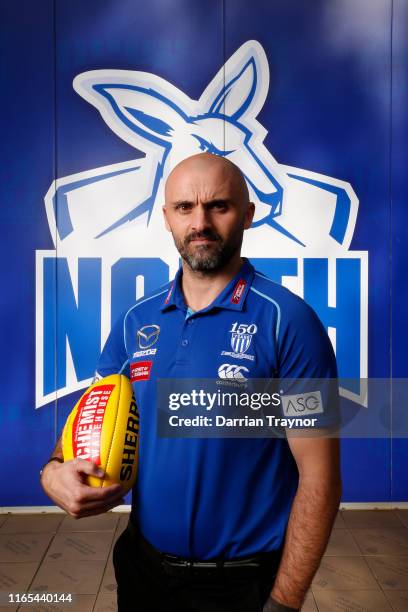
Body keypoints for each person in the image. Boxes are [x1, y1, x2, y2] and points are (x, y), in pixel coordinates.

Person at [40, 153, 342, 612]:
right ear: (166, 218)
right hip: (143, 570)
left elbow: (320, 479)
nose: (199, 222)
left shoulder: (289, 322)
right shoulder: (135, 321)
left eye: (218, 206)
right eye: (184, 208)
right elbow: (86, 429)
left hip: (242, 584)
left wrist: (284, 602)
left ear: (247, 214)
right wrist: (52, 473)